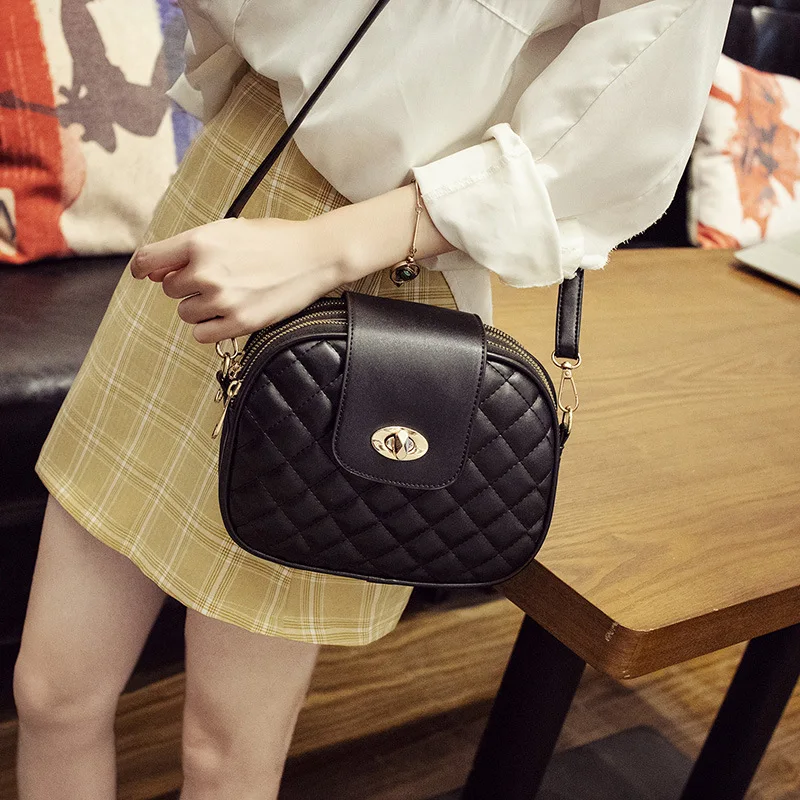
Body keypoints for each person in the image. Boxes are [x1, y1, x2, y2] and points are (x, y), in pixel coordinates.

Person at [13, 1, 734, 797]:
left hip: (382, 266)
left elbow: (624, 127)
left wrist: (325, 248)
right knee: (50, 691)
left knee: (227, 748)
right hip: (233, 176)